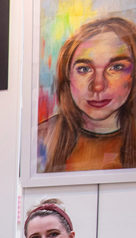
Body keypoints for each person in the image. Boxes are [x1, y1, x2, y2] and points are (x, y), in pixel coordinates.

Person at [37, 17, 136, 172]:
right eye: (84, 69)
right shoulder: (41, 139)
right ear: (67, 75)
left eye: (116, 67)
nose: (98, 86)